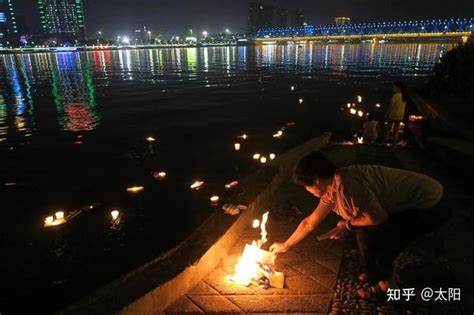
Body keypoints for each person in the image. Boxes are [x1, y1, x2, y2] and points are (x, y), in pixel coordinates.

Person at [270, 152, 450, 300]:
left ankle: (386, 286)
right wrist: (285, 246)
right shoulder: (330, 190)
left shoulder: (347, 183)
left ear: (316, 179)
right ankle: (382, 270)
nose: (307, 191)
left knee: (368, 238)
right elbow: (309, 222)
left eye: (306, 187)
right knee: (355, 234)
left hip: (431, 205)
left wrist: (346, 224)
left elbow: (376, 217)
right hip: (416, 203)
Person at [384, 81, 408, 147]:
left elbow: (391, 106)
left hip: (393, 114)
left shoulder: (396, 95)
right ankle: (394, 144)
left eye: (394, 87)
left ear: (398, 87)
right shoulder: (404, 95)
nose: (393, 88)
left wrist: (387, 113)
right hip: (401, 114)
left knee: (388, 129)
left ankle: (384, 143)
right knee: (396, 130)